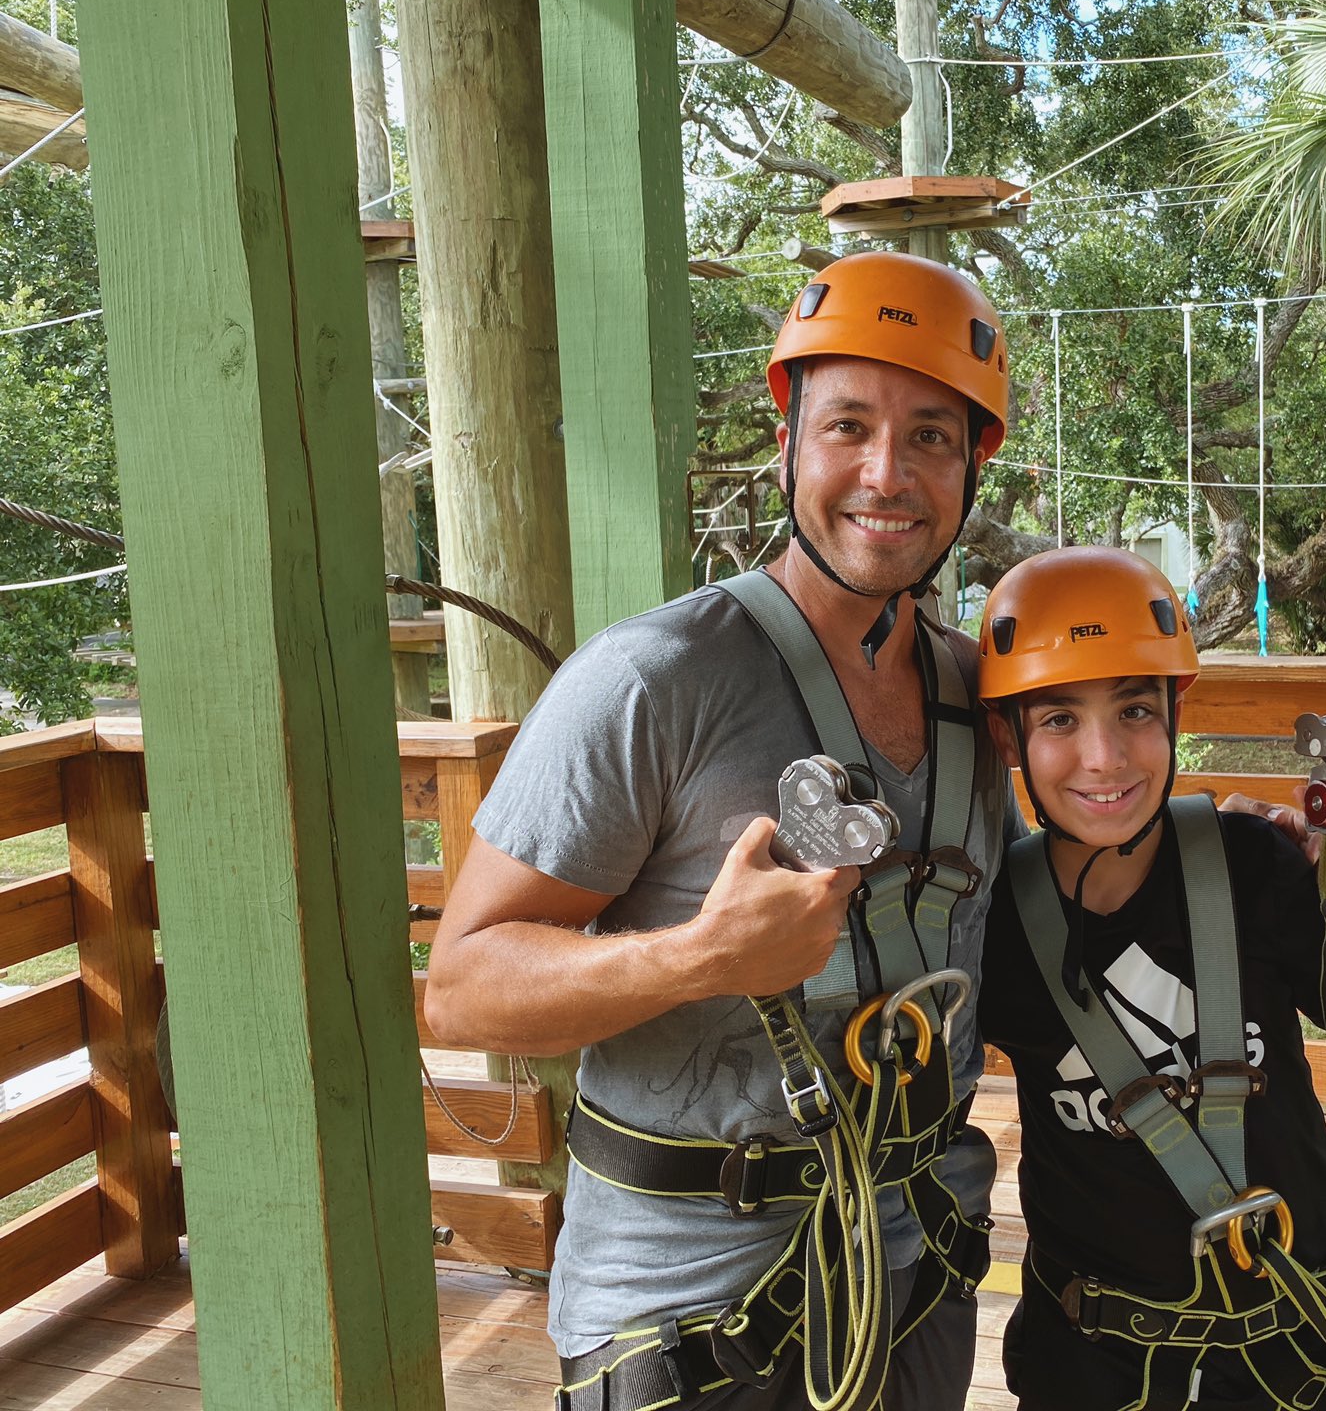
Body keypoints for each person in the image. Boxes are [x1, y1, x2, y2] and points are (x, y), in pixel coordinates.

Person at [424, 251, 1021, 1411]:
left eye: (931, 437)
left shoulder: (969, 694)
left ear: (974, 465)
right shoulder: (654, 680)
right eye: (847, 423)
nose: (885, 473)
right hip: (693, 1312)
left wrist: (1246, 857)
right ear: (788, 433)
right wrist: (701, 958)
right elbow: (460, 989)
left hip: (914, 1271)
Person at [974, 545, 1326, 1411]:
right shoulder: (998, 926)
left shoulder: (1249, 867)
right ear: (1007, 733)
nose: (1104, 758)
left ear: (1174, 713)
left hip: (1295, 1349)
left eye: (1134, 710)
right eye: (1057, 721)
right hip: (1098, 1359)